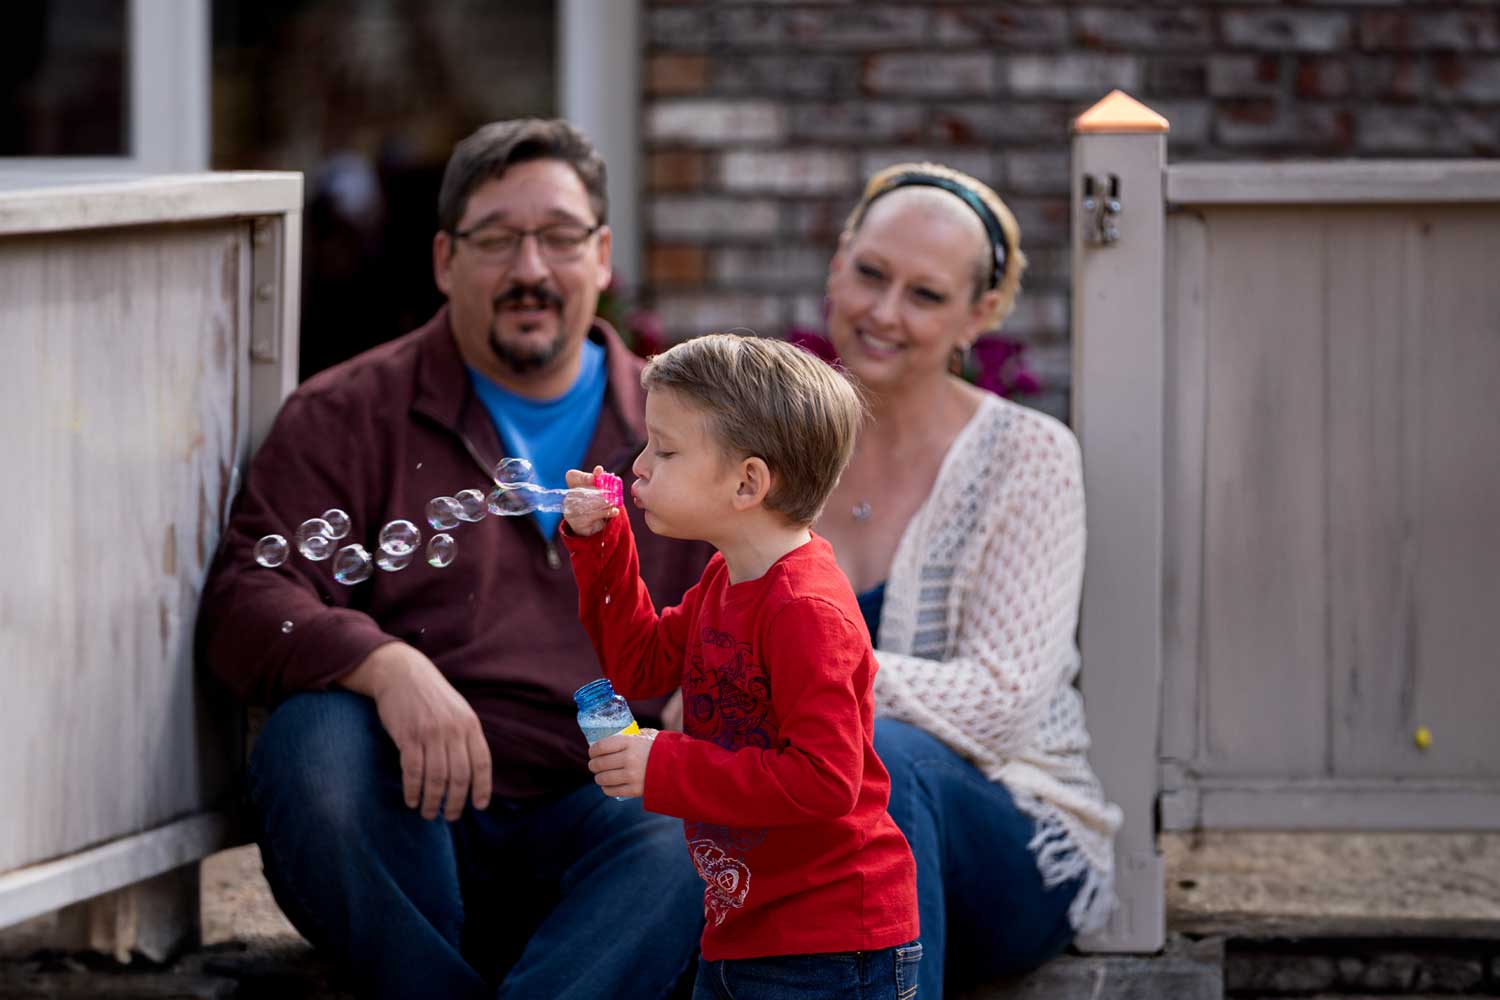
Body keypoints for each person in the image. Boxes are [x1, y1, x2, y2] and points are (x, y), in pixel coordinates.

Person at [196, 118, 711, 1000]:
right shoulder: (348, 412)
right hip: (406, 820)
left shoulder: (694, 431)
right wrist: (384, 666)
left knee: (693, 828)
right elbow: (248, 596)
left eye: (556, 237)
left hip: (604, 819)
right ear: (443, 260)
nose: (529, 271)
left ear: (603, 255)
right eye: (496, 240)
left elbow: (766, 598)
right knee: (312, 742)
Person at [814, 163, 1123, 997]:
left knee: (882, 756)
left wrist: (792, 674)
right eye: (872, 273)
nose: (883, 312)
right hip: (808, 822)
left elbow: (1001, 701)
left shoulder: (1028, 457)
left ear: (977, 316)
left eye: (925, 295)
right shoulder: (781, 446)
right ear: (839, 262)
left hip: (1010, 835)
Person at [559, 334, 922, 1000]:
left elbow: (824, 782)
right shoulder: (728, 577)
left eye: (665, 451)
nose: (639, 466)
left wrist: (665, 765)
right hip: (744, 923)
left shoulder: (806, 610)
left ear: (749, 482)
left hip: (832, 941)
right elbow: (639, 664)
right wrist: (601, 543)